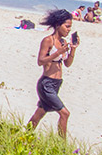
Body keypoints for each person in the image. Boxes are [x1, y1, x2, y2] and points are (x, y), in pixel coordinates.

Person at [28, 9, 79, 138]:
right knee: (65, 113)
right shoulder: (48, 40)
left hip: (56, 84)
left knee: (39, 114)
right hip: (46, 84)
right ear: (58, 25)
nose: (68, 30)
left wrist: (72, 49)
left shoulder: (63, 42)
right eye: (67, 26)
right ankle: (62, 146)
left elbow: (67, 64)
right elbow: (40, 61)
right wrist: (57, 52)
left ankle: (23, 136)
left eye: (70, 27)